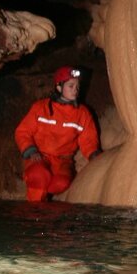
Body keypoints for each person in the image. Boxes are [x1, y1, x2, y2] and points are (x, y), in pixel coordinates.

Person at [15, 66, 100, 202]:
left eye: (77, 86)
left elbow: (88, 140)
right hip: (39, 156)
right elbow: (23, 132)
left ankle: (43, 201)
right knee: (39, 175)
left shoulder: (82, 113)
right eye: (71, 86)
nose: (75, 90)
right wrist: (31, 151)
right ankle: (33, 214)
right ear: (59, 87)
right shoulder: (41, 108)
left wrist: (94, 155)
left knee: (61, 183)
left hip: (63, 161)